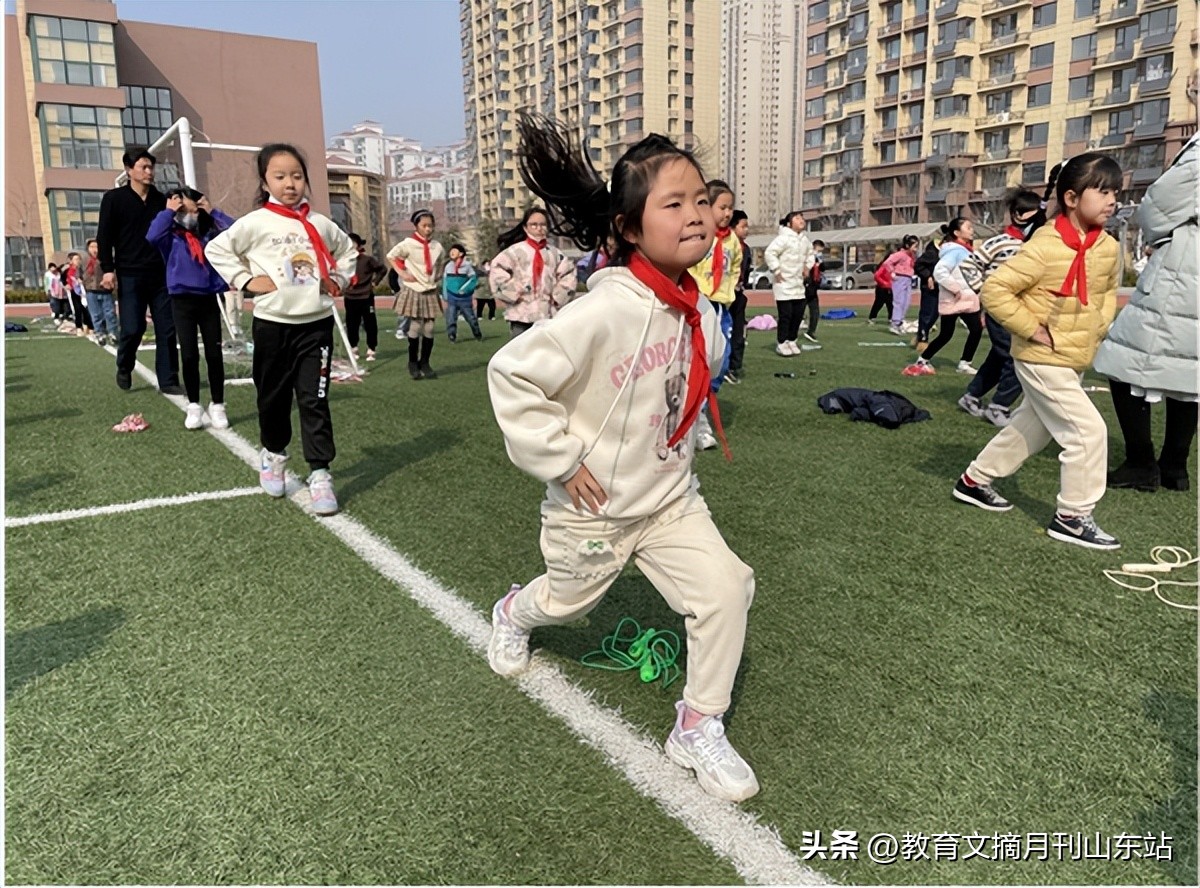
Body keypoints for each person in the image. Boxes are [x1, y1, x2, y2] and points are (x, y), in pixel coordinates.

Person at [485, 112, 758, 803]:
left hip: (668, 499)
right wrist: (559, 458)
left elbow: (701, 372)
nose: (697, 214)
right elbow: (513, 373)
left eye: (702, 200)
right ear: (630, 228)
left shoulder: (693, 303)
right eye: (675, 204)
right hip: (596, 508)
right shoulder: (603, 310)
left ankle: (697, 725)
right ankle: (514, 612)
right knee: (566, 604)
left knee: (728, 587)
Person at [953, 153, 1123, 551]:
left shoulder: (1108, 247)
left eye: (1115, 191)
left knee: (1033, 428)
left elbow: (1106, 295)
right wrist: (1031, 329)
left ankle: (974, 481)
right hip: (1039, 356)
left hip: (1074, 354)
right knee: (1087, 433)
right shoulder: (1045, 245)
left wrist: (1097, 329)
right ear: (1070, 197)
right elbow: (995, 290)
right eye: (1102, 191)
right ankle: (1072, 516)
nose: (1112, 200)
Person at [205, 142, 357, 516]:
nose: (290, 183)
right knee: (272, 398)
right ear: (265, 181)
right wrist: (246, 279)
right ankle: (273, 454)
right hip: (273, 327)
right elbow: (217, 250)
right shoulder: (256, 222)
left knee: (314, 400)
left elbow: (348, 252)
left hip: (315, 327)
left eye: (297, 175)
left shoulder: (320, 224)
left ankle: (320, 473)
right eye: (280, 176)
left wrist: (337, 279)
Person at [1094, 132, 1198, 493]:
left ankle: (1141, 462)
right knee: (1189, 370)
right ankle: (1174, 466)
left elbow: (1158, 205)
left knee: (1121, 360)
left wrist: (1163, 238)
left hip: (1185, 268)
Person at [955, 188, 1045, 428]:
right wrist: (984, 292)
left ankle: (971, 396)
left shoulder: (1034, 244)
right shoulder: (1000, 242)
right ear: (1018, 215)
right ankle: (999, 406)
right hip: (1001, 310)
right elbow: (968, 264)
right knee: (1019, 356)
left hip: (1020, 311)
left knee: (998, 357)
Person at [147, 186, 234, 431]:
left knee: (214, 354)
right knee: (188, 354)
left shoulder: (209, 231)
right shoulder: (170, 234)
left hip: (208, 297)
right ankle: (194, 405)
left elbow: (235, 232)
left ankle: (218, 405)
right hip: (181, 299)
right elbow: (151, 237)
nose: (182, 204)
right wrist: (167, 212)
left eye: (185, 199)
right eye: (178, 201)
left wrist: (213, 211)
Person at [97, 148, 182, 394]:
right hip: (129, 273)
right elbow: (105, 236)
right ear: (128, 170)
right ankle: (124, 365)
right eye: (143, 167)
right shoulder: (114, 199)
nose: (148, 172)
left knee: (167, 328)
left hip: (161, 274)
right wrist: (108, 269)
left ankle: (168, 380)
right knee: (133, 327)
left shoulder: (161, 200)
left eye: (150, 167)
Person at [904, 217, 980, 375]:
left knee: (967, 331)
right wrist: (956, 289)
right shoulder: (955, 251)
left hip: (962, 300)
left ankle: (927, 360)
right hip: (957, 299)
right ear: (957, 232)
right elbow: (940, 271)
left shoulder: (962, 249)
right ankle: (961, 363)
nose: (972, 230)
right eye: (968, 227)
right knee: (958, 332)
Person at [488, 207, 577, 339]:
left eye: (543, 225)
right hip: (521, 314)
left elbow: (568, 275)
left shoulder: (555, 254)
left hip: (547, 314)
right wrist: (516, 291)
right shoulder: (514, 252)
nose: (539, 228)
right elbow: (497, 270)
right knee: (520, 354)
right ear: (525, 227)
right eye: (534, 225)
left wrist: (557, 297)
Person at [387, 210, 447, 380]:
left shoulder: (437, 246)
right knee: (415, 326)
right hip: (414, 288)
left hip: (430, 289)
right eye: (424, 226)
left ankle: (425, 362)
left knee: (429, 327)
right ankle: (412, 362)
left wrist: (438, 274)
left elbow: (441, 261)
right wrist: (402, 273)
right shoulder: (408, 244)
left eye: (430, 225)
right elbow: (391, 256)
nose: (428, 229)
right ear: (416, 226)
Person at [764, 210, 813, 356]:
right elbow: (770, 253)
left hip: (798, 284)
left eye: (802, 218)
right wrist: (777, 270)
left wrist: (807, 267)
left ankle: (792, 340)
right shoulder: (783, 238)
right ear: (789, 223)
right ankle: (782, 342)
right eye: (797, 218)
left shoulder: (804, 240)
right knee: (786, 315)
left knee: (798, 314)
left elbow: (810, 255)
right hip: (784, 284)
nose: (801, 220)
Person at [343, 232, 387, 363]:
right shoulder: (344, 261)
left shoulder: (367, 259)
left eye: (353, 243)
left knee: (370, 323)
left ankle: (371, 348)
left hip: (366, 296)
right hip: (350, 296)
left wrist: (375, 282)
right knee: (351, 323)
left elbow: (382, 269)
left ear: (358, 245)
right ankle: (353, 347)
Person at [726, 209, 751, 382]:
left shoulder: (746, 249)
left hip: (738, 294)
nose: (747, 230)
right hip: (724, 295)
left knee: (738, 330)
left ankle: (735, 365)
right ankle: (723, 366)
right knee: (724, 331)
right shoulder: (723, 245)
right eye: (744, 226)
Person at [442, 243, 482, 343]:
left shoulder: (467, 266)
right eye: (451, 250)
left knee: (471, 319)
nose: (452, 252)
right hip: (452, 297)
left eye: (454, 251)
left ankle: (477, 334)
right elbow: (445, 280)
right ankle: (452, 336)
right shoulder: (448, 266)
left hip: (464, 298)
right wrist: (445, 293)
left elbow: (473, 279)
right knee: (451, 318)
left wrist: (465, 289)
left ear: (461, 254)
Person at [82, 239, 117, 346]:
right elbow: (77, 273)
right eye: (92, 247)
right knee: (96, 314)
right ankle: (99, 333)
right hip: (91, 291)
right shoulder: (84, 260)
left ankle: (113, 332)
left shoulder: (106, 259)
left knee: (110, 313)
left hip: (105, 290)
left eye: (96, 247)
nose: (94, 249)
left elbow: (113, 272)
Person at [882, 235, 919, 337]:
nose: (916, 248)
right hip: (899, 278)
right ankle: (895, 323)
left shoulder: (911, 256)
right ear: (907, 245)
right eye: (914, 246)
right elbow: (887, 262)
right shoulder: (900, 254)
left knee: (906, 302)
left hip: (908, 279)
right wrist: (892, 273)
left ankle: (900, 322)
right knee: (899, 301)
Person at [912, 237, 941, 351]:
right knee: (927, 313)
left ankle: (920, 335)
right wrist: (928, 276)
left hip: (940, 287)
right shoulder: (932, 253)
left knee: (935, 314)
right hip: (929, 287)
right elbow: (918, 265)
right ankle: (923, 340)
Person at [802, 238, 825, 346]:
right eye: (819, 250)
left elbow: (823, 269)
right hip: (806, 287)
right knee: (798, 309)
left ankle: (811, 332)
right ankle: (789, 333)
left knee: (815, 311)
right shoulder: (808, 257)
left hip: (813, 289)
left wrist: (820, 263)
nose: (820, 253)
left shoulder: (817, 260)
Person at [63, 252, 92, 338]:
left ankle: (89, 327)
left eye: (79, 259)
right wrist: (66, 285)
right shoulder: (67, 270)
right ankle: (79, 327)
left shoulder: (82, 270)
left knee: (86, 310)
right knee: (77, 309)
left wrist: (83, 281)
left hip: (84, 293)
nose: (78, 261)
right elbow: (63, 279)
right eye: (76, 259)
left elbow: (87, 277)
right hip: (74, 292)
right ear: (71, 261)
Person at [868, 256, 895, 327]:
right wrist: (884, 283)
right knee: (878, 303)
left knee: (890, 304)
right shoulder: (884, 265)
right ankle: (872, 318)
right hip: (881, 288)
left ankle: (891, 318)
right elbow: (877, 276)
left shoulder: (892, 267)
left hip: (889, 288)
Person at [44, 263, 68, 327]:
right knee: (55, 305)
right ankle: (56, 317)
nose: (53, 269)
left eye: (54, 267)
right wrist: (47, 290)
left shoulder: (59, 273)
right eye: (51, 268)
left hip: (62, 292)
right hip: (53, 292)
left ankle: (64, 317)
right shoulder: (48, 274)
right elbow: (46, 283)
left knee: (64, 306)